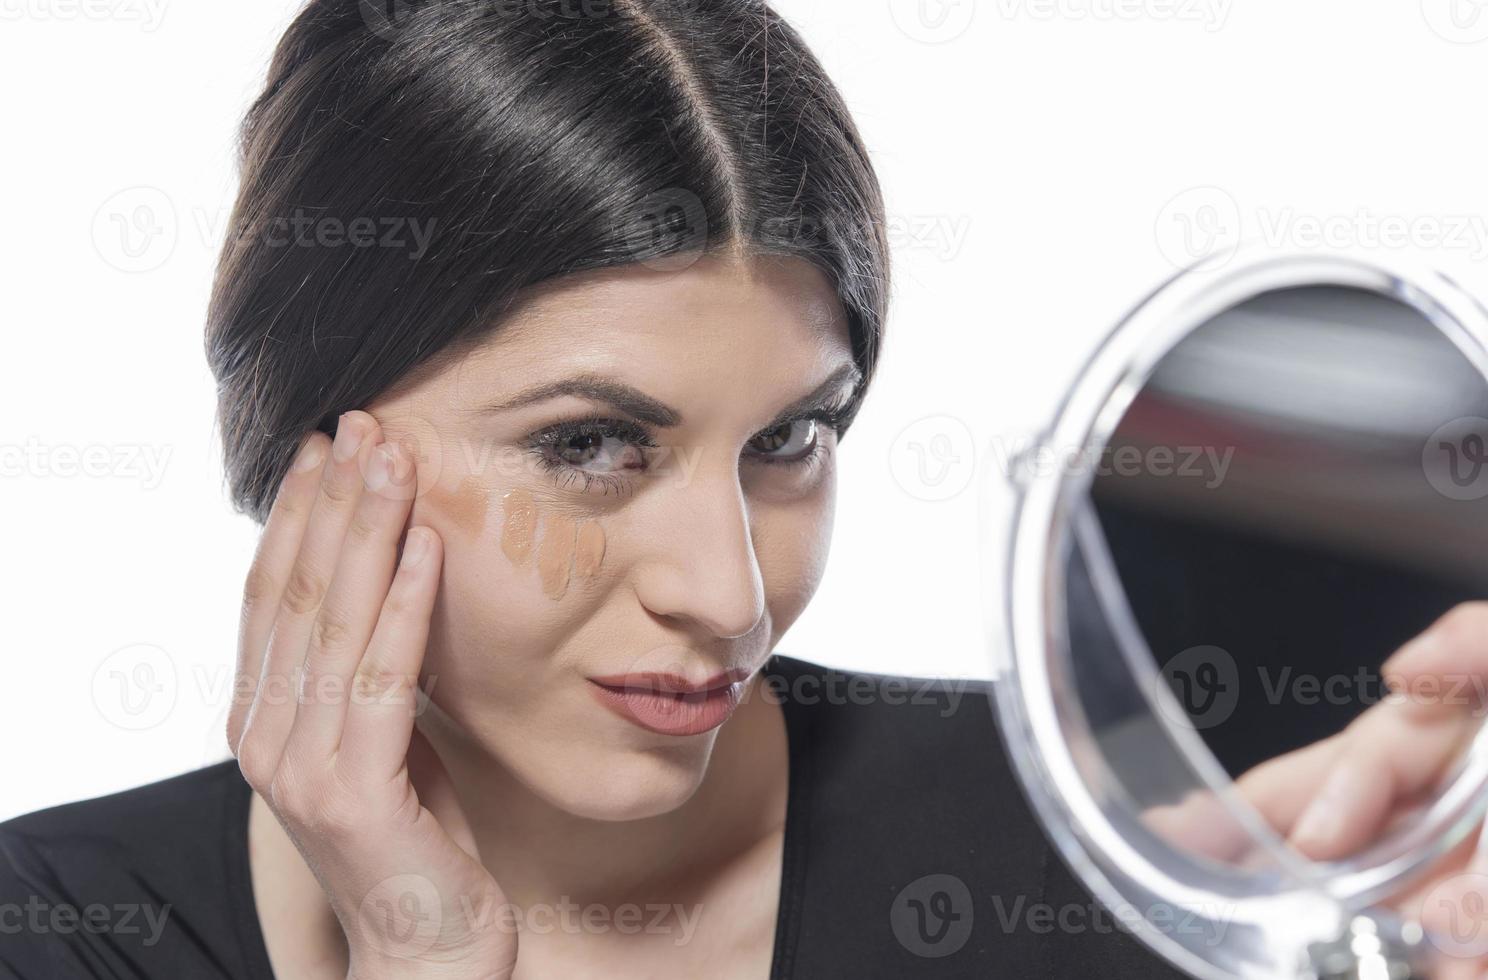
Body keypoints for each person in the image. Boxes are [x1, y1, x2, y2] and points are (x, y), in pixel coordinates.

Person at [2, 1, 1485, 977]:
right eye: (589, 445)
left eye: (790, 440)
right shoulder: (64, 931)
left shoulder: (1111, 868)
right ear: (310, 449)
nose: (730, 592)